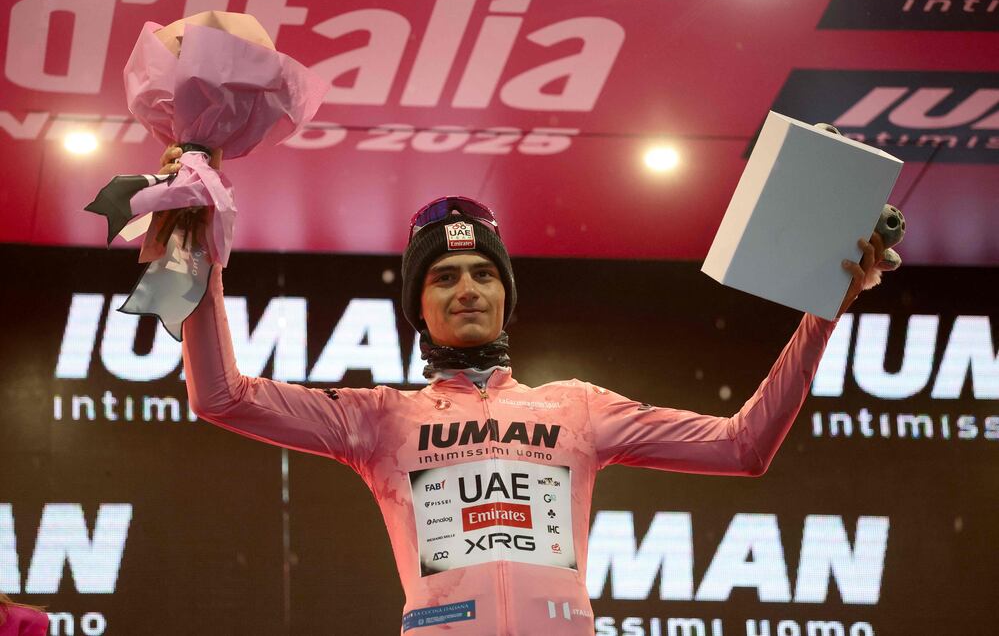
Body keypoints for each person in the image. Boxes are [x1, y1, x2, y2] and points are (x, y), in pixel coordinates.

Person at [158, 146, 887, 635]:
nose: (467, 289)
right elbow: (221, 395)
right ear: (419, 304)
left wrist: (824, 311)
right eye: (443, 277)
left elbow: (743, 446)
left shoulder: (576, 408)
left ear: (507, 295)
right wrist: (196, 251)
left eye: (484, 274)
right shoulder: (380, 420)